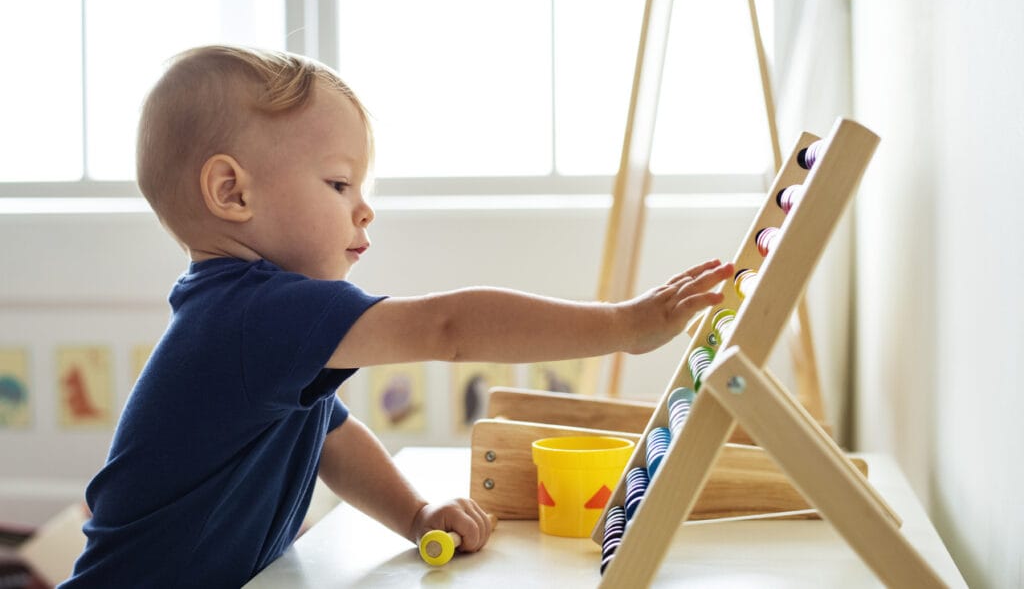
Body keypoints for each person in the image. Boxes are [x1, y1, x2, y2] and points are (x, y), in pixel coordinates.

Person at [62, 45, 734, 587]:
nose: (364, 209)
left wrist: (415, 514)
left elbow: (329, 434)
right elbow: (449, 328)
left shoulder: (247, 321)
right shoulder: (257, 315)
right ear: (232, 191)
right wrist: (619, 327)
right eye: (338, 183)